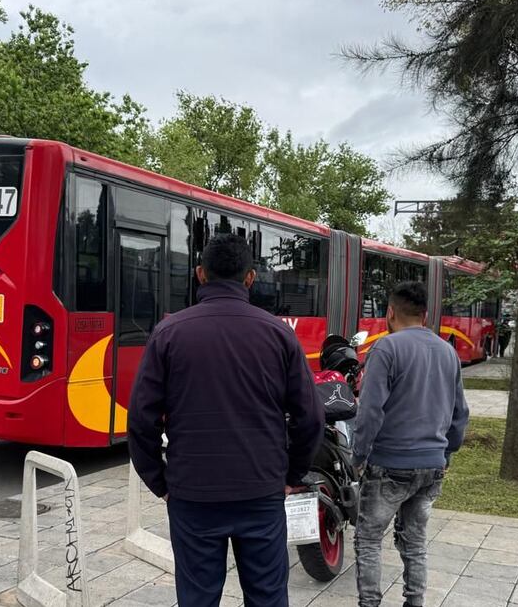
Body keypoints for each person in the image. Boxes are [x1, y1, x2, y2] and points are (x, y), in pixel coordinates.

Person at [128, 234, 323, 607]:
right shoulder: (279, 333)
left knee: (198, 597)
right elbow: (309, 417)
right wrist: (290, 476)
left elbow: (141, 420)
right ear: (249, 278)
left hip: (192, 494)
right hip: (261, 492)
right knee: (267, 597)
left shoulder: (168, 333)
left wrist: (161, 482)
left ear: (201, 274)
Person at [352, 281, 470, 607]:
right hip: (432, 465)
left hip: (390, 463)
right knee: (415, 541)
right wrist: (446, 453)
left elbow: (370, 411)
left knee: (368, 539)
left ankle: (370, 604)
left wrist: (359, 455)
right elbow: (461, 414)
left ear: (390, 312)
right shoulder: (448, 351)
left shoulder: (386, 349)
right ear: (426, 315)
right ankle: (414, 602)